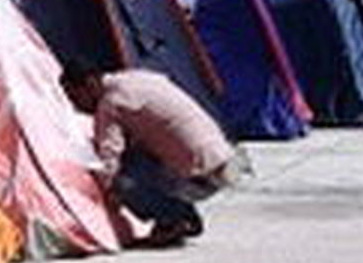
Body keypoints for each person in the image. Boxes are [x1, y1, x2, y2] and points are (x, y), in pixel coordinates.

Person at [60, 61, 237, 247]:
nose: (76, 106)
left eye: (75, 97)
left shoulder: (111, 103)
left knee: (123, 180)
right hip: (220, 157)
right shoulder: (140, 78)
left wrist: (102, 194)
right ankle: (182, 214)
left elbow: (108, 158)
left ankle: (173, 219)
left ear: (90, 84)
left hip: (198, 177)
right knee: (139, 152)